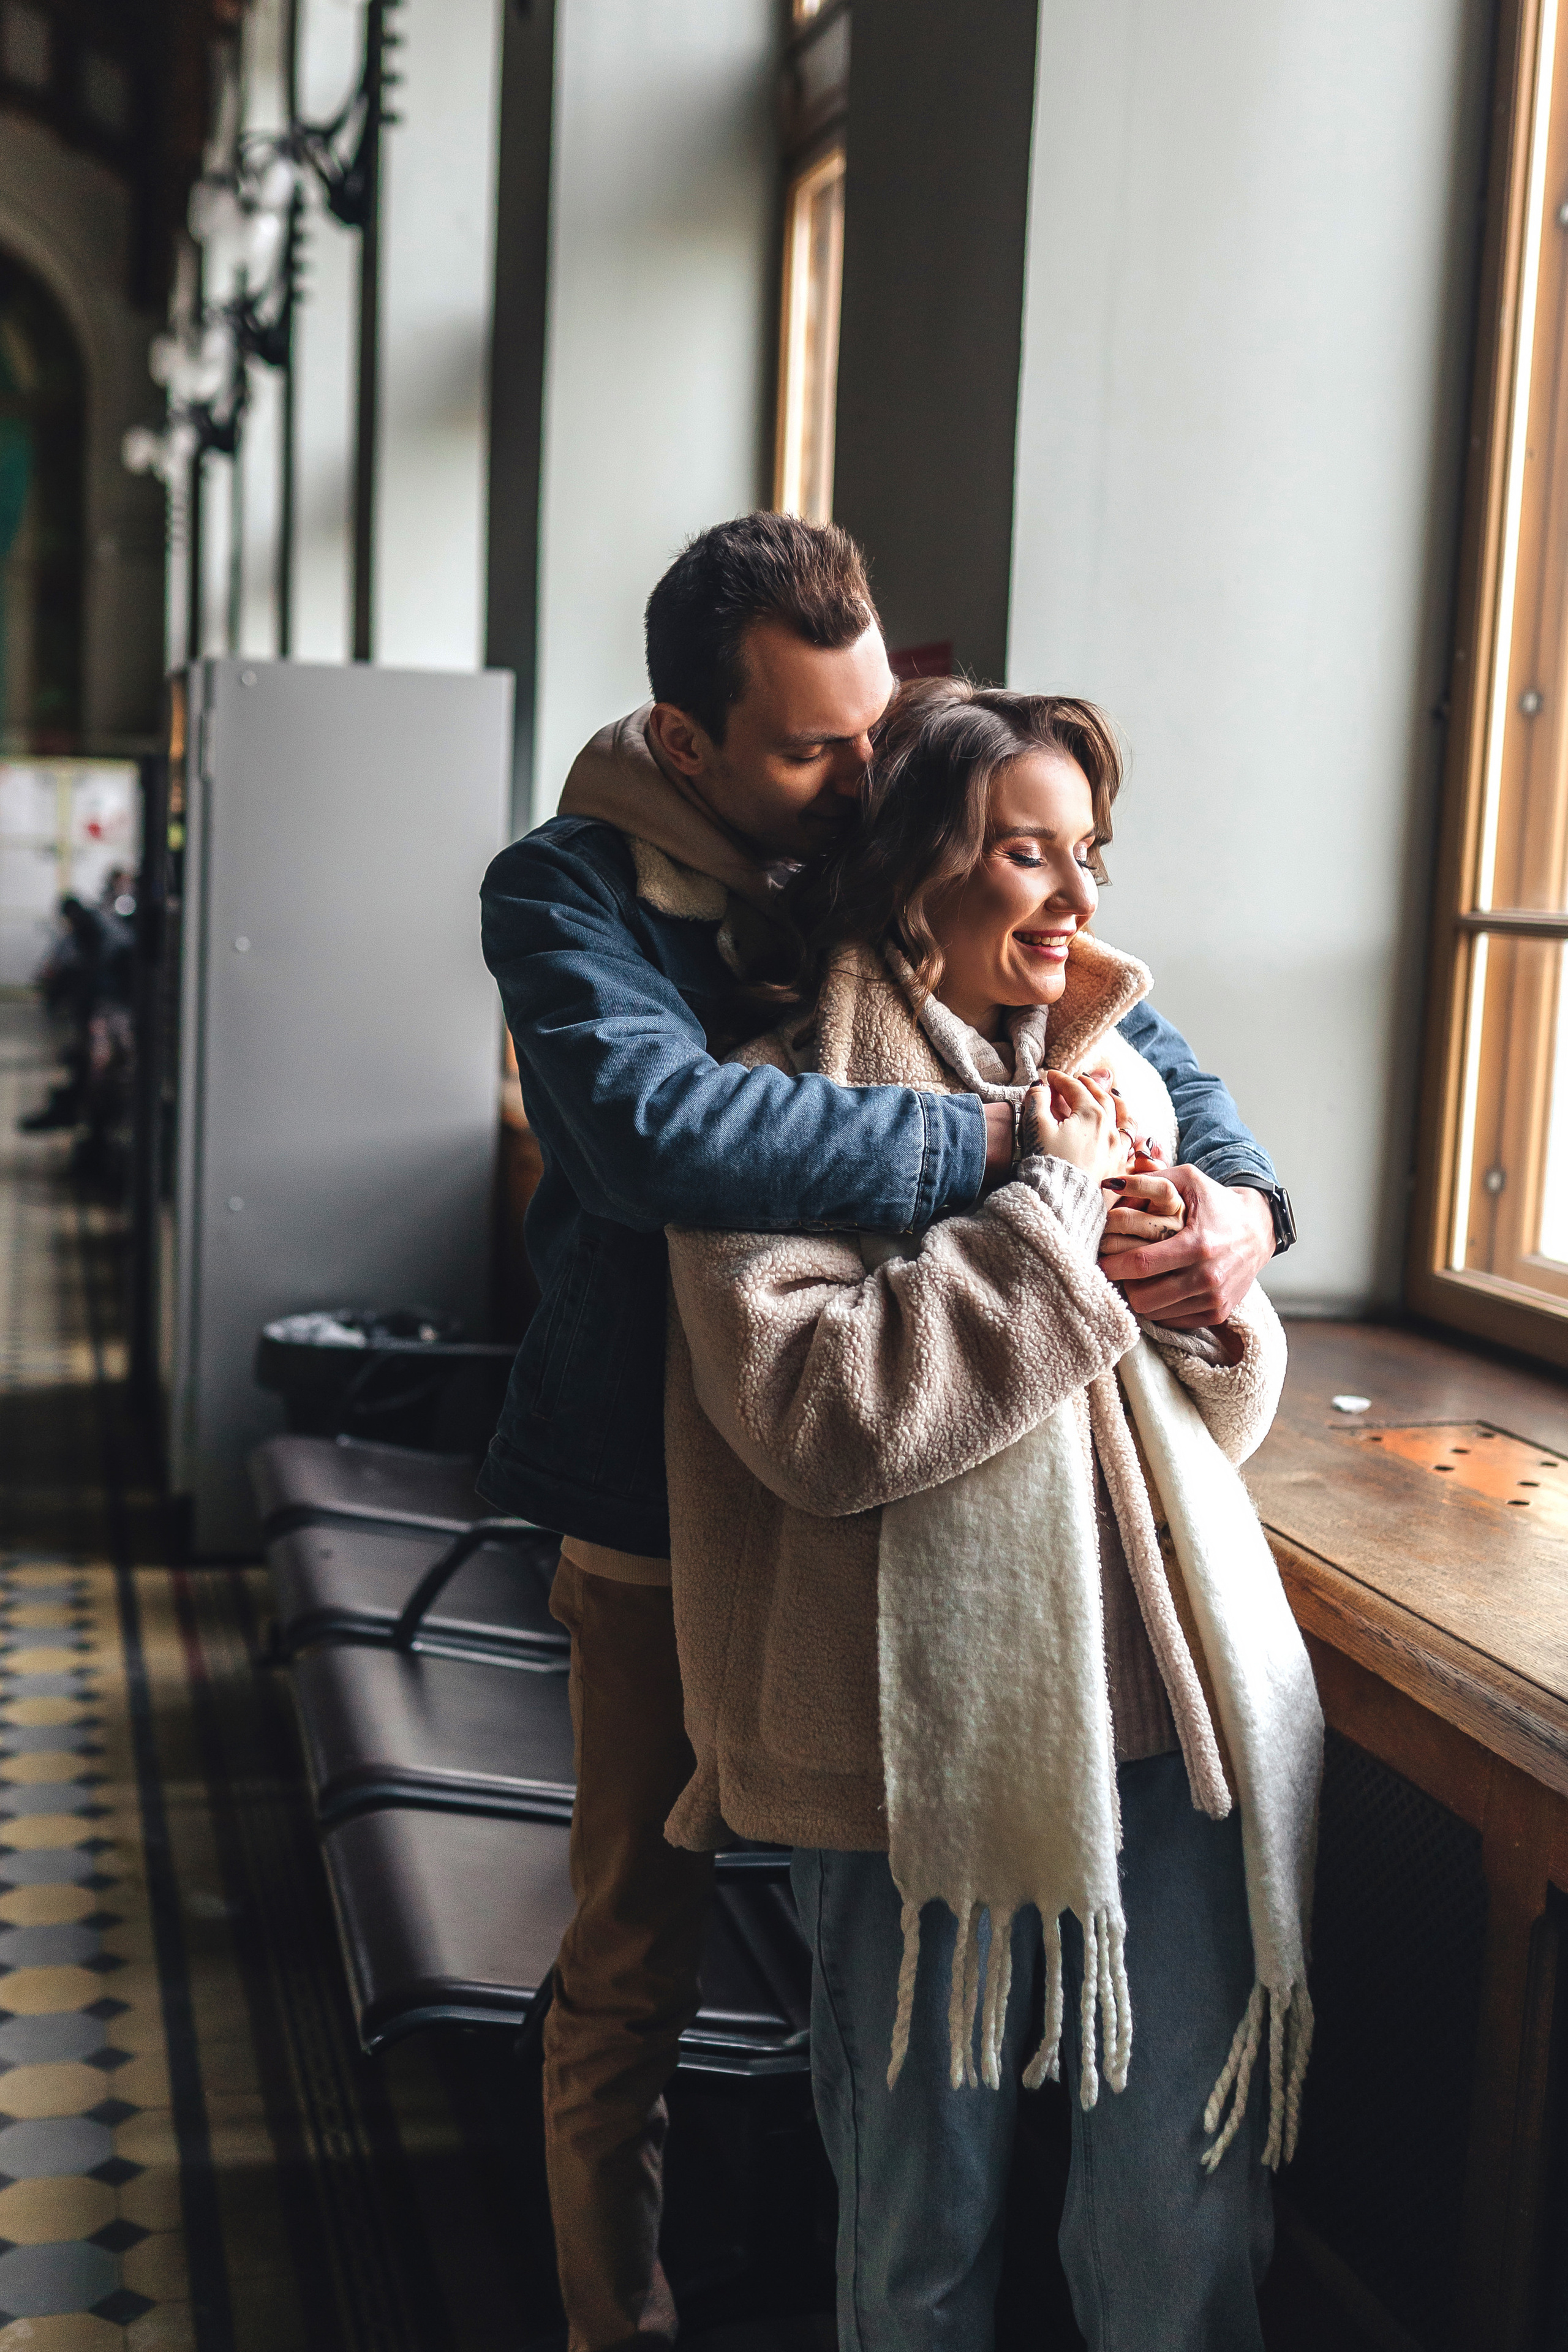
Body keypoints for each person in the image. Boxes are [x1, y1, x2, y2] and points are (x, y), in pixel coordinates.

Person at [478, 514, 1289, 2351]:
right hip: (658, 1503)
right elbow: (672, 1146)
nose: (857, 781)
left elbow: (1188, 1095)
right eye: (812, 751)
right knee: (633, 1958)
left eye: (876, 735)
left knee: (1095, 2177)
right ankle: (621, 2321)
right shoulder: (571, 897)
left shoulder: (980, 923)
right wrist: (1026, 1167)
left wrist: (1233, 1222)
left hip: (990, 1606)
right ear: (689, 744)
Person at [661, 677, 1322, 2351]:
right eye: (1026, 855)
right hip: (900, 1758)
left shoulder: (1121, 1083)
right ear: (910, 877)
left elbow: (1220, 1421)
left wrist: (1200, 1292)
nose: (1079, 898)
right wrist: (1051, 1224)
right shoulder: (776, 1102)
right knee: (918, 2239)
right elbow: (819, 1421)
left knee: (1180, 2218)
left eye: (1087, 852)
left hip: (1166, 1721)